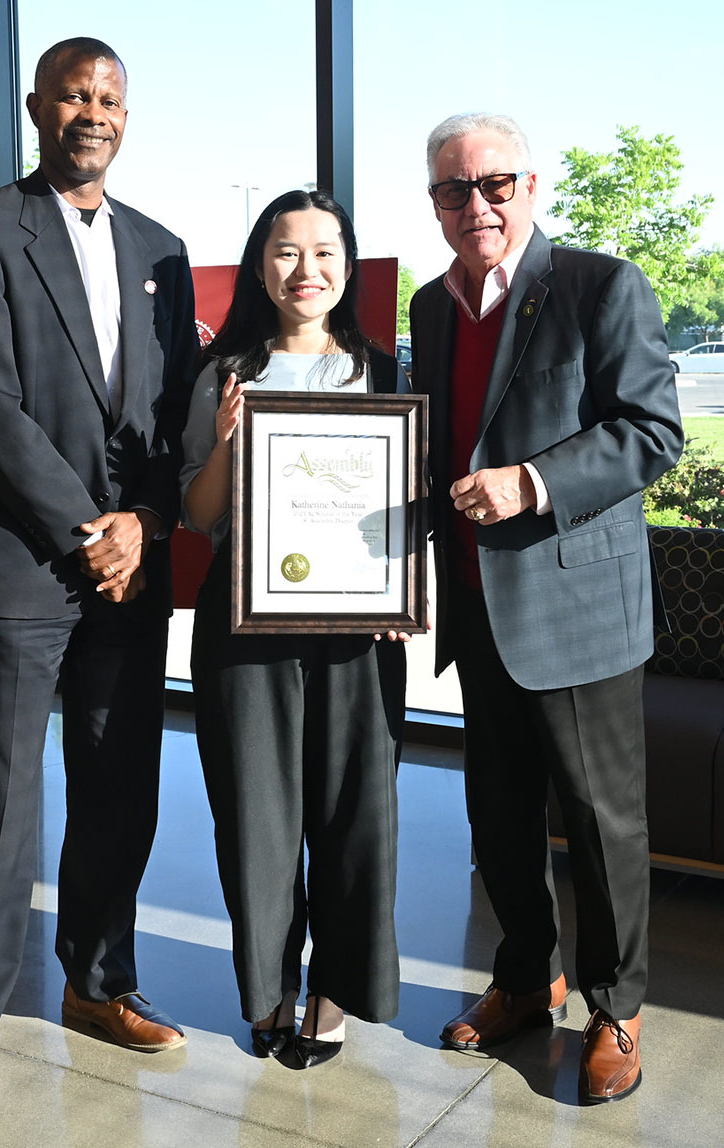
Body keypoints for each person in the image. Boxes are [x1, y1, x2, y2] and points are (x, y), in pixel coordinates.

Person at [0, 37, 197, 1118]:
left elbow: (170, 415)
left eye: (111, 97)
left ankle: (98, 981)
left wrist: (150, 520)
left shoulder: (162, 249)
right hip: (25, 561)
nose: (94, 111)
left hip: (132, 567)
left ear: (127, 114)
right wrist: (92, 528)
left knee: (120, 779)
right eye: (76, 94)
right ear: (39, 107)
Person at [409, 114, 683, 1104]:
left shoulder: (598, 286)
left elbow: (652, 431)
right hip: (478, 604)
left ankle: (616, 1003)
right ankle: (527, 977)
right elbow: (436, 447)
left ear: (531, 186)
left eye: (493, 183)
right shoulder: (430, 307)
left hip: (577, 608)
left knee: (600, 817)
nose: (473, 203)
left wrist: (531, 481)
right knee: (497, 812)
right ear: (432, 201)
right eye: (451, 189)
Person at [181, 190, 409, 1068]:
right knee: (256, 815)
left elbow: (409, 509)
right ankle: (269, 987)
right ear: (258, 265)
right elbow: (200, 518)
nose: (305, 270)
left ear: (347, 265)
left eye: (324, 251)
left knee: (356, 814)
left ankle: (337, 989)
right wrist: (233, 442)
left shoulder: (385, 372)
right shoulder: (225, 374)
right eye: (285, 252)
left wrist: (401, 590)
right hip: (246, 630)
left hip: (358, 632)